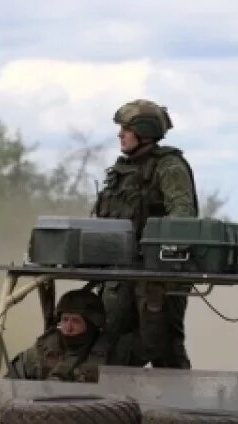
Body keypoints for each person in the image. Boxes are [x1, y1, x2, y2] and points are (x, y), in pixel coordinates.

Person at [93, 99, 198, 369]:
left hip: (157, 276)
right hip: (119, 274)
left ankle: (180, 407)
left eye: (126, 129)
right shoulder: (121, 172)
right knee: (108, 342)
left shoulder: (169, 166)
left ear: (144, 131)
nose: (120, 135)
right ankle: (106, 407)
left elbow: (182, 216)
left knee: (165, 345)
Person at [5, 289, 125, 382]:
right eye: (65, 319)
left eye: (75, 321)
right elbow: (8, 385)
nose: (68, 327)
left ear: (91, 324)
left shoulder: (112, 351)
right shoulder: (41, 352)